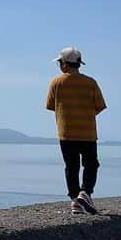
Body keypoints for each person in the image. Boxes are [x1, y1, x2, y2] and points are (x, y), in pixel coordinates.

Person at [45, 46, 108, 215]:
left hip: (66, 133)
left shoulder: (56, 82)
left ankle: (75, 200)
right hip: (87, 132)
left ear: (65, 64)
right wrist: (85, 113)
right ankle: (85, 193)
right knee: (91, 165)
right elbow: (100, 106)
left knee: (71, 167)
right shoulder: (90, 83)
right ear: (78, 64)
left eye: (59, 63)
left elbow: (51, 106)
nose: (59, 66)